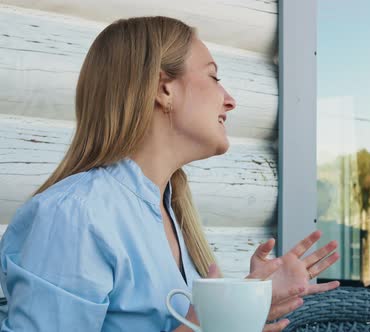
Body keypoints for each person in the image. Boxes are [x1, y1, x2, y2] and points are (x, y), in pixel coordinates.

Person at [0, 16, 339, 332]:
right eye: (213, 77)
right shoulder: (74, 217)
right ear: (164, 89)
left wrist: (248, 299)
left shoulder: (170, 211)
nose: (230, 100)